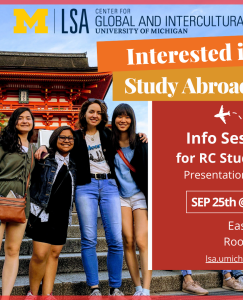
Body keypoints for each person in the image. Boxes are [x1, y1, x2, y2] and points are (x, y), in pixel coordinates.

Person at [35, 98, 147, 296]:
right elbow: (62, 145)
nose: (94, 115)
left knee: (115, 239)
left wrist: (141, 136)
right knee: (88, 238)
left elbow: (126, 139)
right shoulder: (76, 136)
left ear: (102, 116)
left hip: (110, 185)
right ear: (84, 114)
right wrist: (44, 148)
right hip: (85, 187)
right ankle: (94, 287)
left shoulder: (108, 134)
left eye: (98, 112)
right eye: (91, 112)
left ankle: (115, 287)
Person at [25, 126, 76, 297]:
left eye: (70, 138)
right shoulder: (44, 157)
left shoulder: (74, 164)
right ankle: (32, 293)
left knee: (54, 255)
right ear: (55, 138)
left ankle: (47, 293)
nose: (66, 140)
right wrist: (43, 147)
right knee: (40, 254)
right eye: (62, 137)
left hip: (61, 215)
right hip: (42, 212)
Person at [111, 104, 151, 296]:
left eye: (127, 117)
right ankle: (137, 287)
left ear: (132, 120)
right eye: (119, 116)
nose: (123, 120)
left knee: (142, 241)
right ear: (114, 119)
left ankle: (146, 289)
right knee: (128, 240)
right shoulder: (109, 143)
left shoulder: (141, 142)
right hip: (121, 197)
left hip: (139, 196)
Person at [0, 107, 35, 296]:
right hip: (1, 195)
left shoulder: (33, 148)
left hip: (21, 203)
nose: (24, 121)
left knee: (13, 250)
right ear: (13, 121)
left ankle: (5, 296)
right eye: (20, 118)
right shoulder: (3, 142)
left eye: (28, 118)